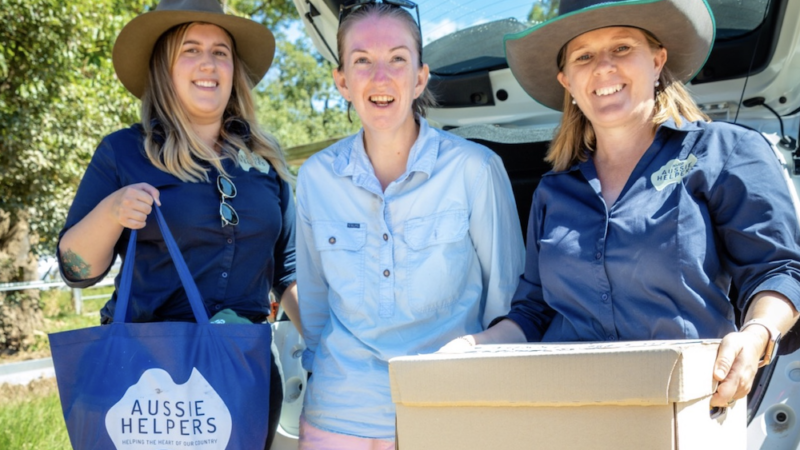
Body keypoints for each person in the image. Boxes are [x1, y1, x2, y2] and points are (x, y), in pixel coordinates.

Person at [448, 0, 800, 409]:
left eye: (621, 48)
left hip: (688, 407)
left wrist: (757, 332)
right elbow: (534, 312)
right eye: (584, 56)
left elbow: (778, 270)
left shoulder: (726, 150)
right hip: (571, 413)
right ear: (567, 81)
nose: (603, 68)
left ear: (657, 59)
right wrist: (471, 345)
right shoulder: (553, 191)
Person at [56, 0, 298, 447]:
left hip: (243, 373)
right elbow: (77, 270)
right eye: (190, 49)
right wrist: (111, 213)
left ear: (234, 70)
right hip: (145, 377)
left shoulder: (265, 163)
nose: (208, 63)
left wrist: (327, 347)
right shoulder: (123, 152)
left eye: (220, 51)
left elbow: (289, 273)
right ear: (164, 69)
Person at [295, 1, 524, 448]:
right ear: (341, 81)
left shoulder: (475, 169)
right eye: (362, 61)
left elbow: (508, 305)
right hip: (338, 413)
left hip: (450, 410)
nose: (381, 77)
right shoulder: (316, 177)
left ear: (420, 77)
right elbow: (317, 309)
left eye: (398, 58)